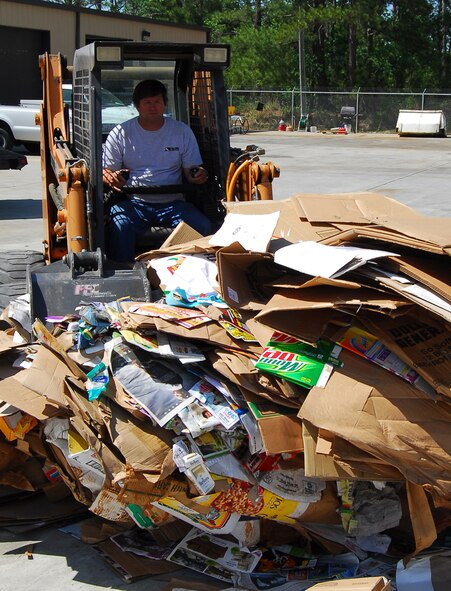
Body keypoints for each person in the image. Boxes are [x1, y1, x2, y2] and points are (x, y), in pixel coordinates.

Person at [102, 79, 212, 263]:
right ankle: (124, 271)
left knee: (203, 225)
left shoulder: (181, 132)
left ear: (164, 104)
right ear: (137, 106)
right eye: (147, 102)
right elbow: (108, 171)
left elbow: (191, 171)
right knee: (120, 225)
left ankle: (196, 271)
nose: (153, 107)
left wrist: (198, 175)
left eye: (157, 102)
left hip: (173, 203)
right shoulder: (121, 133)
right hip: (135, 203)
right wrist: (112, 178)